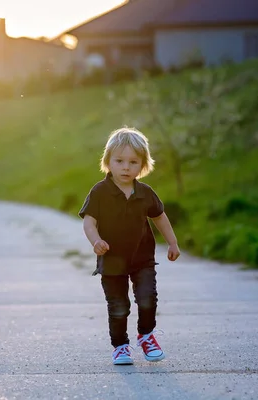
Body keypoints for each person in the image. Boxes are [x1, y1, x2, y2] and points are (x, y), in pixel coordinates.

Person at [78, 126, 181, 365]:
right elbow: (89, 222)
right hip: (112, 260)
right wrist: (96, 241)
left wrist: (173, 242)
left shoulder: (145, 193)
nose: (126, 167)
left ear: (143, 165)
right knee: (118, 306)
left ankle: (146, 336)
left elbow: (160, 217)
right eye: (120, 161)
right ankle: (121, 347)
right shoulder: (100, 192)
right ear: (108, 162)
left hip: (142, 259)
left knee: (148, 298)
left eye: (133, 162)